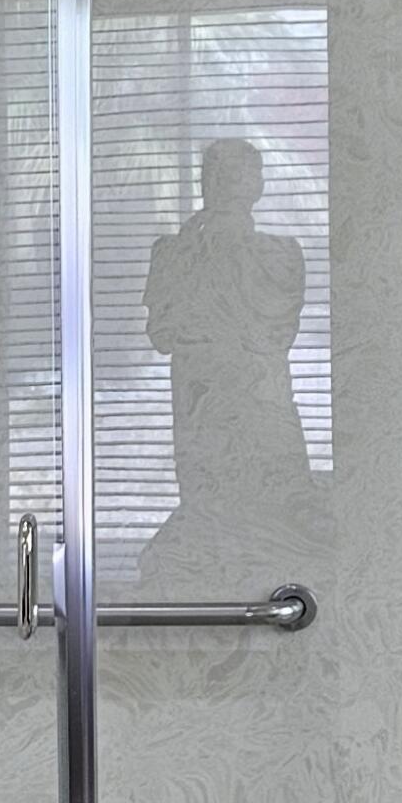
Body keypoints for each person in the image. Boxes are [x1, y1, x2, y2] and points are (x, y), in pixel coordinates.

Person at [139, 136, 315, 589]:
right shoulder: (184, 254)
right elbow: (164, 334)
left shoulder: (267, 255)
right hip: (214, 415)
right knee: (219, 532)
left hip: (245, 412)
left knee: (264, 533)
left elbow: (167, 332)